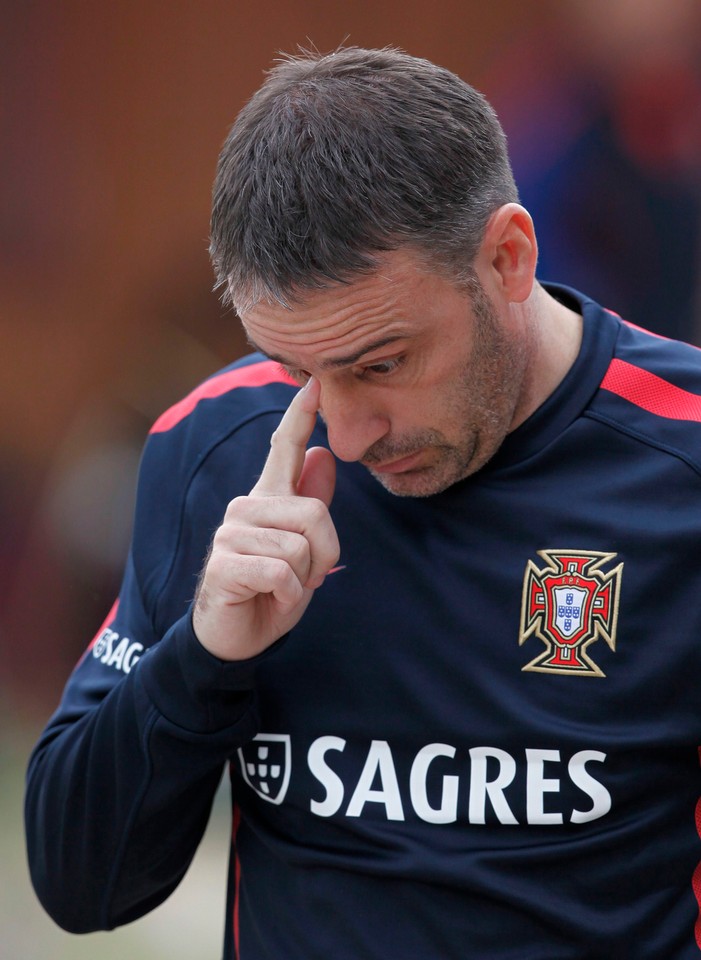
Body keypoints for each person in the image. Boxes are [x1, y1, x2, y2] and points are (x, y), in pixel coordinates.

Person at [25, 47, 701, 959]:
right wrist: (203, 654)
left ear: (506, 257)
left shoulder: (679, 459)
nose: (341, 436)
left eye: (382, 364)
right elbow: (80, 885)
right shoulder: (217, 451)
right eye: (300, 370)